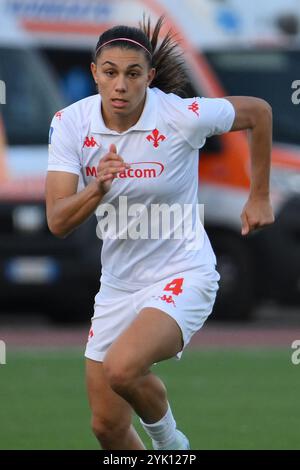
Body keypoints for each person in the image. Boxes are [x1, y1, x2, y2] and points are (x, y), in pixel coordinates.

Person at [46, 16, 274, 450]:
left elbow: (259, 113)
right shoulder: (70, 123)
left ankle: (174, 447)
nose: (120, 85)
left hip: (184, 274)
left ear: (149, 77)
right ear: (94, 72)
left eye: (133, 74)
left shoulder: (179, 114)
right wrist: (97, 188)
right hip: (117, 285)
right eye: (110, 72)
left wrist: (258, 195)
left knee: (123, 369)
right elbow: (58, 220)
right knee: (107, 427)